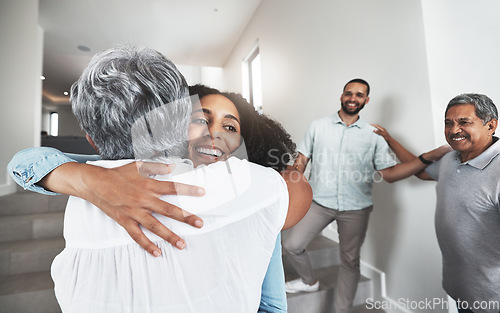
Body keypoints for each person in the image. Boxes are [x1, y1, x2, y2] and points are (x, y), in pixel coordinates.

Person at [11, 45, 304, 313]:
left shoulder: (254, 191)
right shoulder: (258, 189)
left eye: (230, 126)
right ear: (181, 121)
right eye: (201, 119)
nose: (213, 133)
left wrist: (79, 178)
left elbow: (271, 304)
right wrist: (85, 177)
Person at [281, 78, 450, 313]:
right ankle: (310, 282)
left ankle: (342, 310)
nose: (353, 98)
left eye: (359, 95)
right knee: (291, 243)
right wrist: (289, 191)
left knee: (350, 262)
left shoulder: (374, 135)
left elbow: (389, 174)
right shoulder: (317, 126)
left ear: (366, 100)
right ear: (341, 96)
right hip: (319, 203)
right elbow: (300, 163)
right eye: (349, 93)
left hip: (356, 209)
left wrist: (425, 158)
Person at [376, 93, 500, 313]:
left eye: (464, 122)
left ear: (490, 125)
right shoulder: (452, 158)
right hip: (463, 289)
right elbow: (420, 171)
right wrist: (389, 139)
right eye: (448, 123)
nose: (454, 130)